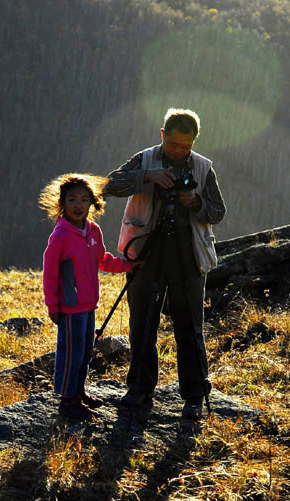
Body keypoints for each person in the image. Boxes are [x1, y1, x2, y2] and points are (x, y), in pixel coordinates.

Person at [104, 108, 226, 419]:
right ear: (162, 136)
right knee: (142, 322)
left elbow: (217, 211)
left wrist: (195, 203)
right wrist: (147, 177)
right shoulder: (145, 160)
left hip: (188, 255)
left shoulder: (202, 168)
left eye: (186, 146)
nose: (179, 152)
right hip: (146, 252)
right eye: (174, 144)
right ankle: (140, 388)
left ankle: (195, 395)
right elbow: (111, 185)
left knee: (189, 327)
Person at [40, 173, 134, 422]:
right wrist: (53, 305)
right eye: (72, 200)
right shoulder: (60, 236)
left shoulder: (93, 231)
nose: (78, 205)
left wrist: (128, 266)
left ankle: (78, 392)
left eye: (84, 199)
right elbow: (49, 273)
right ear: (62, 203)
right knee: (70, 354)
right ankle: (67, 401)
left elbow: (102, 260)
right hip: (69, 308)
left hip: (89, 305)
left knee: (84, 352)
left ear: (92, 203)